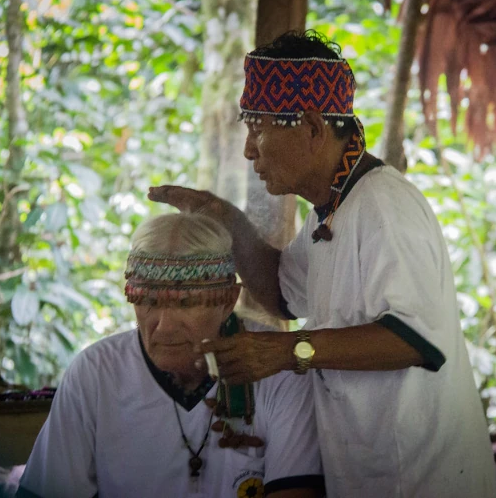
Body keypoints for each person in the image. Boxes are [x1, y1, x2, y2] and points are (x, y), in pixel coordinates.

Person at [149, 30, 496, 498]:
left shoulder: (383, 206)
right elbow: (280, 293)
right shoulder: (332, 210)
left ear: (312, 128)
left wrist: (285, 352)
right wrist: (223, 217)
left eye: (258, 127)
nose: (249, 149)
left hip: (421, 480)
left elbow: (415, 340)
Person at [17, 213, 325, 498]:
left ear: (228, 301)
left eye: (186, 304)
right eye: (148, 301)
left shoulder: (278, 370)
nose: (164, 326)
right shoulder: (97, 372)